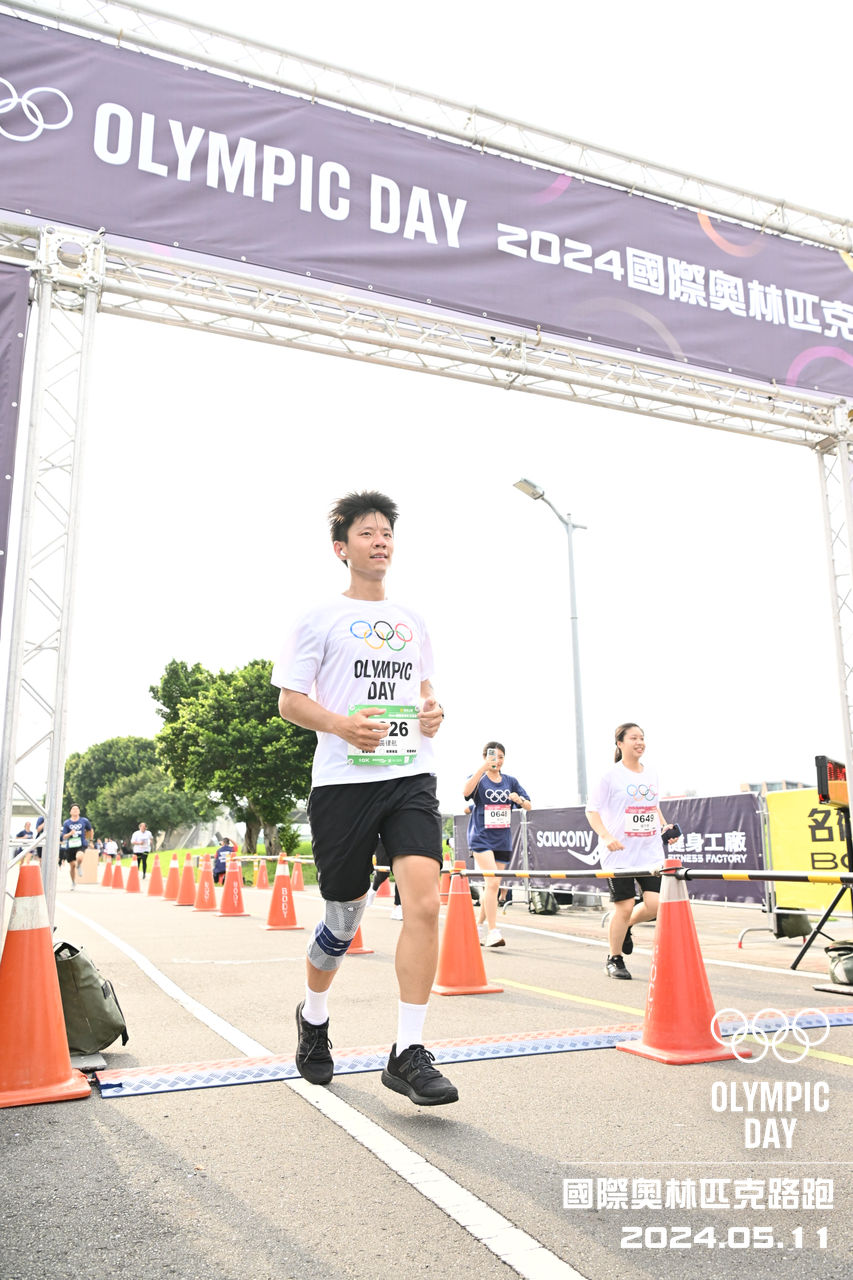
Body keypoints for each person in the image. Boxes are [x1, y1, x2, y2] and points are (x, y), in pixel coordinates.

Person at [272, 490, 457, 1107]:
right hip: (343, 783)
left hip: (411, 776)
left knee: (424, 903)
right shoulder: (317, 618)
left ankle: (408, 1051)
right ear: (341, 548)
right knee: (343, 920)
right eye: (367, 533)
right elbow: (290, 701)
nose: (380, 542)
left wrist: (432, 713)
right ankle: (314, 1016)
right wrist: (341, 725)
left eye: (387, 533)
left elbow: (425, 691)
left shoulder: (411, 620)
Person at [585, 722, 676, 980]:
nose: (640, 742)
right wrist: (606, 836)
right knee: (623, 907)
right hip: (619, 855)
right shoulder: (610, 776)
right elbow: (591, 810)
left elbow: (652, 806)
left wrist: (664, 826)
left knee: (656, 905)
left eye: (642, 738)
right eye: (634, 738)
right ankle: (614, 959)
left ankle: (626, 926)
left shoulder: (651, 774)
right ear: (620, 743)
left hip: (649, 852)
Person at [463, 742, 531, 948]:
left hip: (502, 839)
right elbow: (466, 793)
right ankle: (493, 931)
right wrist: (482, 769)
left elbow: (529, 805)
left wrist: (519, 800)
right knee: (492, 883)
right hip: (481, 837)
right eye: (493, 756)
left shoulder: (510, 781)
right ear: (485, 757)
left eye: (501, 757)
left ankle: (477, 926)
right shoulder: (479, 778)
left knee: (492, 886)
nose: (497, 761)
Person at [59, 804, 93, 890]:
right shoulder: (67, 823)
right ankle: (73, 882)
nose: (75, 810)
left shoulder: (84, 821)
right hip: (70, 846)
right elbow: (64, 836)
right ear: (70, 812)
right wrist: (70, 833)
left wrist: (90, 840)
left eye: (77, 809)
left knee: (79, 857)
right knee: (72, 866)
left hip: (81, 844)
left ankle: (79, 865)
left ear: (79, 811)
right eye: (73, 809)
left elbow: (90, 830)